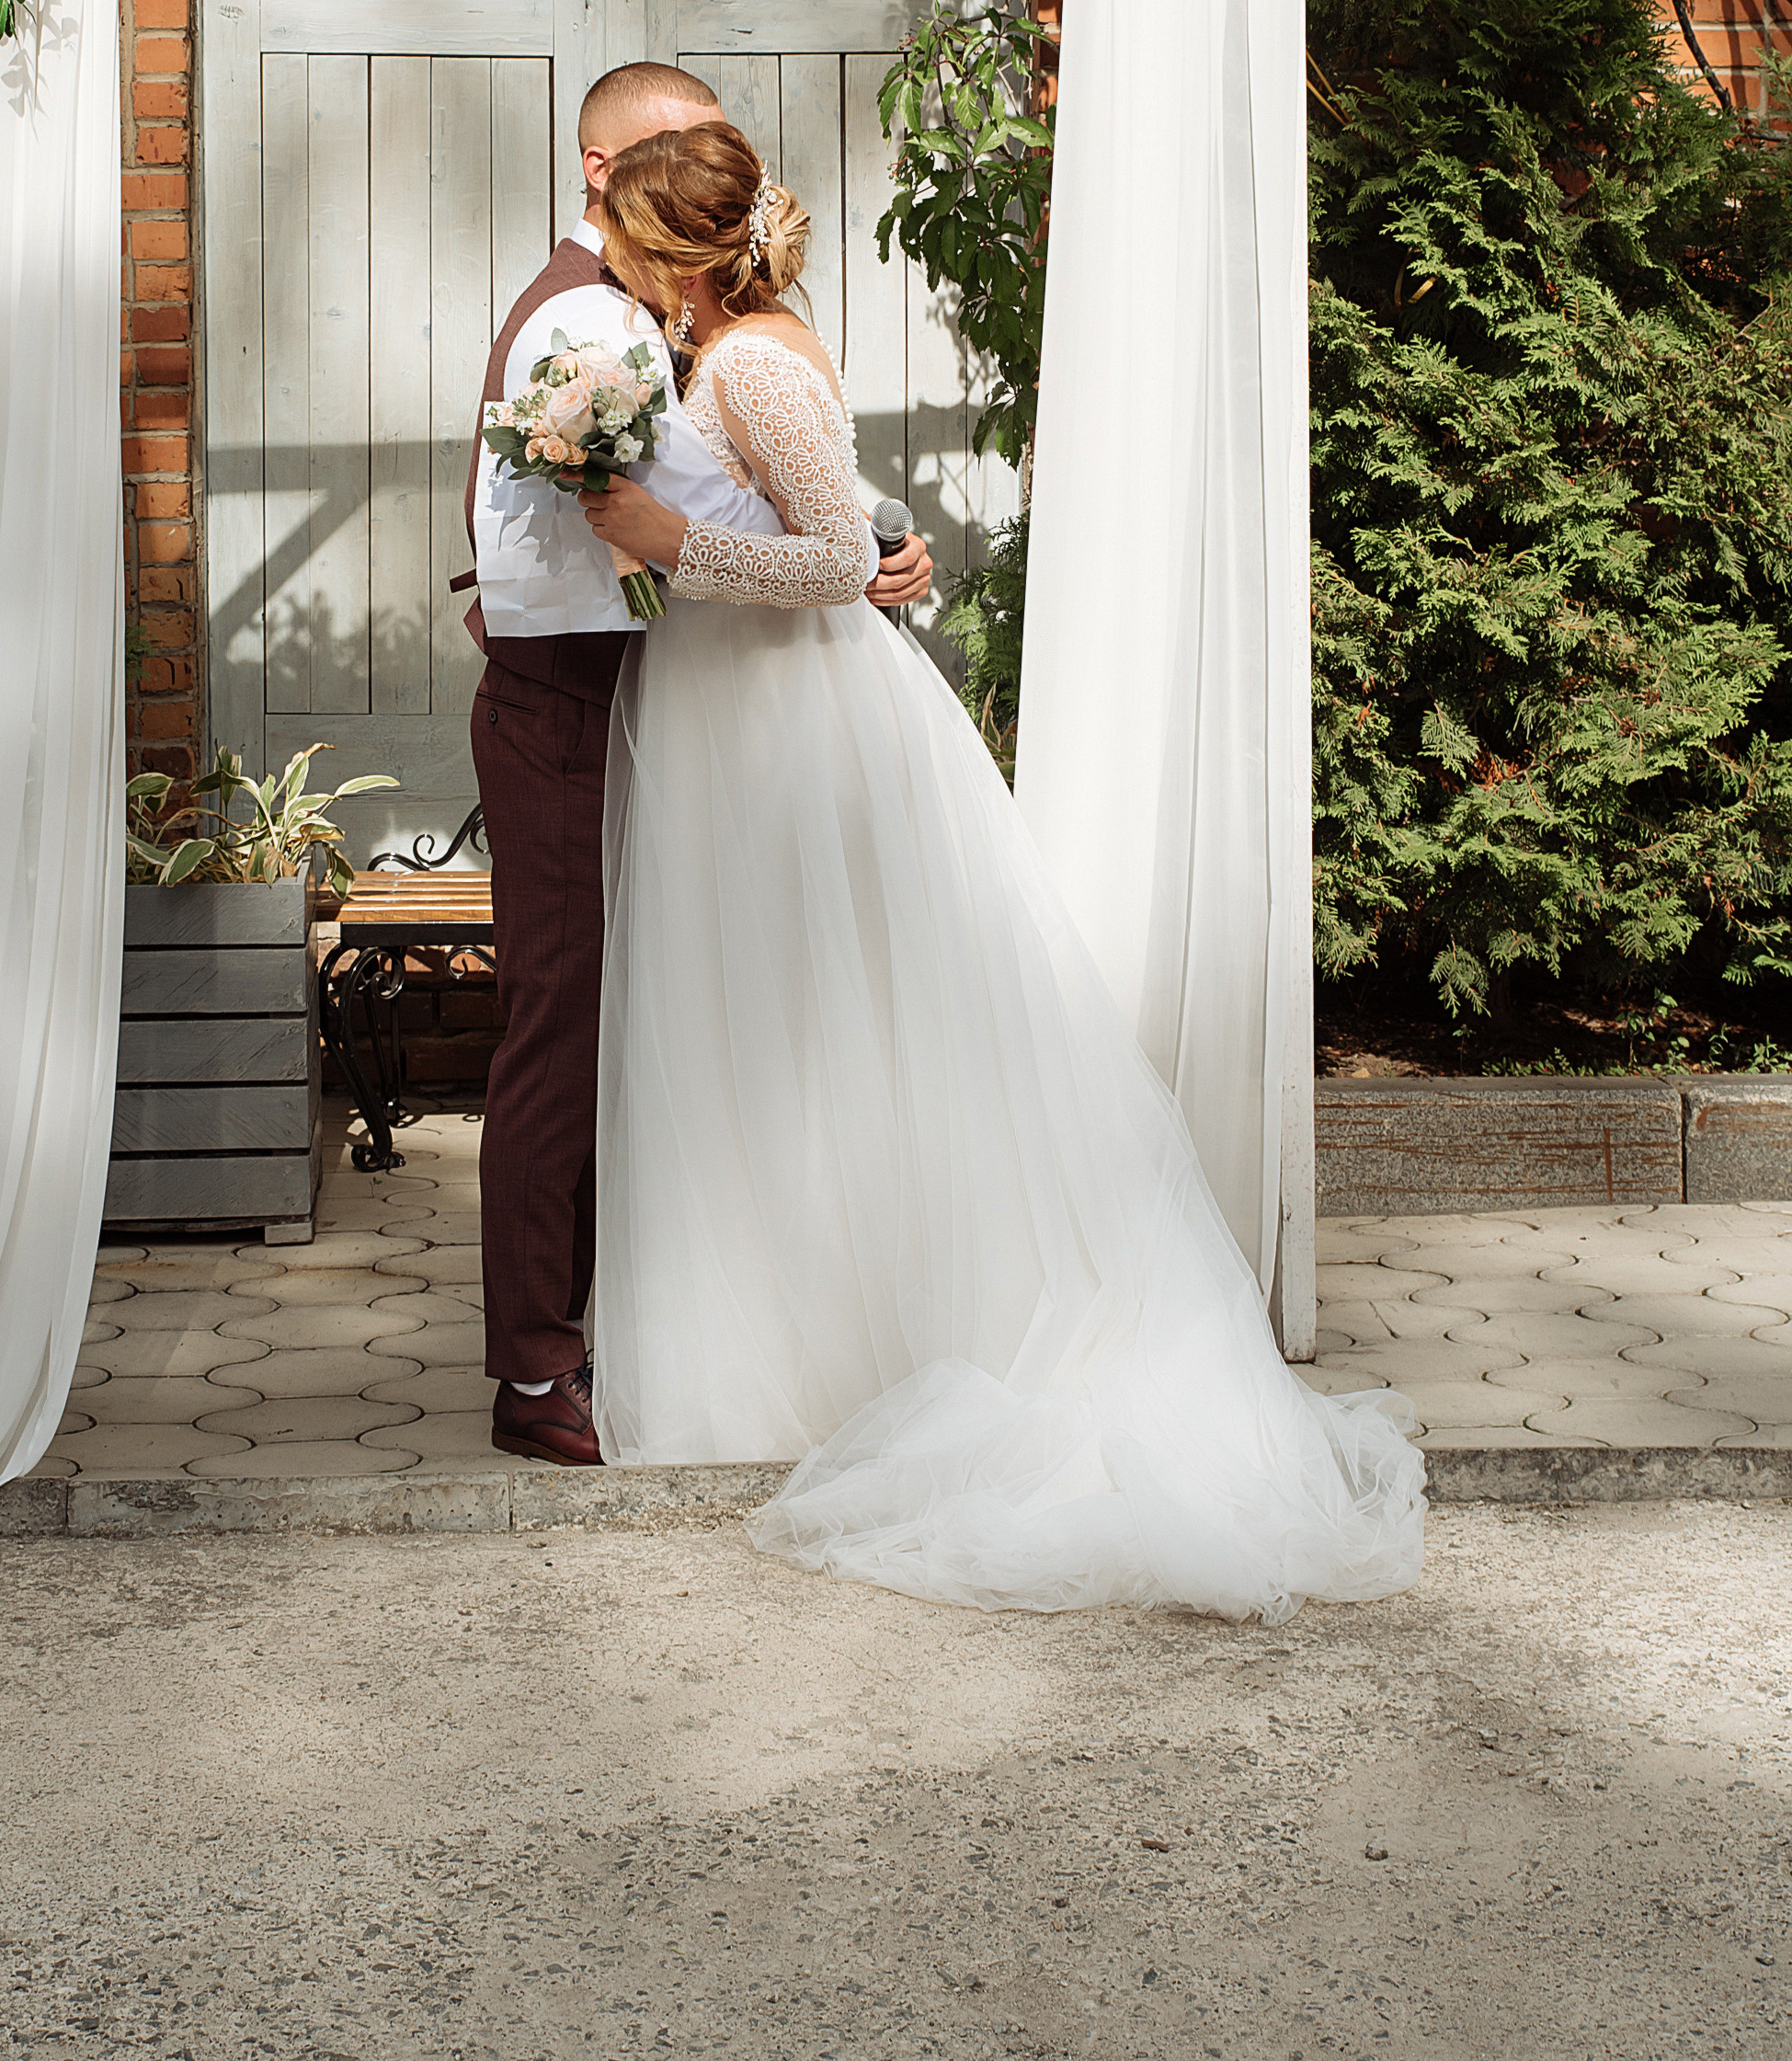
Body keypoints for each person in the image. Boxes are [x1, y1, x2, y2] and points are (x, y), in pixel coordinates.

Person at [576, 120, 1424, 1620]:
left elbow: (839, 562)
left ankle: (875, 1355)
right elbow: (845, 526)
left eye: (629, 243)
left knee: (836, 1029)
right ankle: (789, 1345)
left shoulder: (755, 361)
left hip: (792, 723)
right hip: (732, 712)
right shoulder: (719, 350)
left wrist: (663, 538)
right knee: (761, 1034)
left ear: (680, 258)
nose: (614, 263)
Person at [464, 63, 934, 1471]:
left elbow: (748, 477)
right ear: (606, 173)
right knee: (564, 1030)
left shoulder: (664, 320)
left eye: (716, 156)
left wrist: (873, 542)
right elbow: (553, 532)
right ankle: (537, 1364)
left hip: (679, 704)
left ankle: (656, 1318)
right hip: (571, 703)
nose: (705, 178)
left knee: (678, 1020)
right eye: (675, 155)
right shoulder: (587, 321)